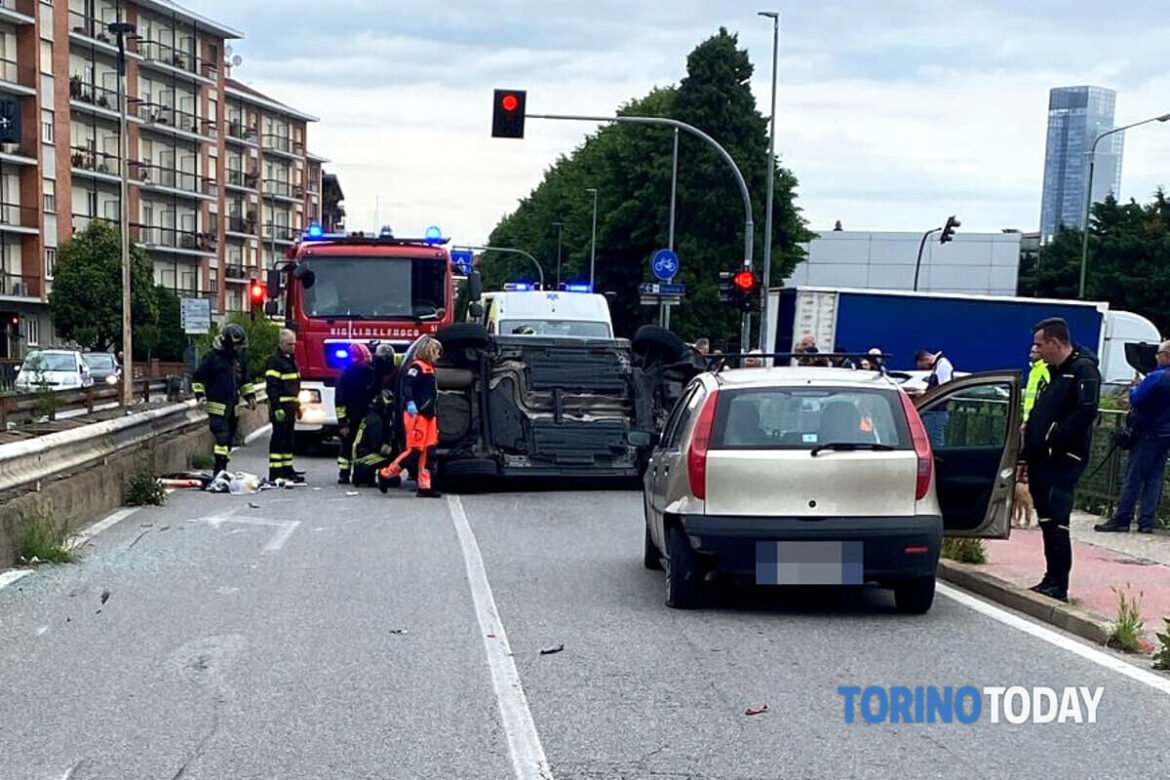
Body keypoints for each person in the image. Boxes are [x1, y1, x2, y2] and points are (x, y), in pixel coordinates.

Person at [1020, 317, 1101, 602]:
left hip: (1063, 457)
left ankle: (1059, 583)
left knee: (1057, 518)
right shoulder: (1056, 371)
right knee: (1046, 517)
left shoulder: (1082, 369)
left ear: (1055, 343)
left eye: (1040, 344)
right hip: (1042, 457)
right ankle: (1050, 578)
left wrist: (1054, 438)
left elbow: (1086, 411)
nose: (1037, 350)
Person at [1095, 339, 1170, 534]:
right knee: (1155, 476)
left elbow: (1137, 399)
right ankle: (1147, 521)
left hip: (1147, 432)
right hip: (1166, 434)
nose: (1156, 357)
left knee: (1133, 476)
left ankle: (1122, 517)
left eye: (1158, 354)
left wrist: (1134, 388)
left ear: (1166, 356)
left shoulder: (1156, 377)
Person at [379, 336, 443, 498]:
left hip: (429, 416)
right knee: (414, 451)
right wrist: (410, 403)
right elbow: (407, 387)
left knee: (428, 452)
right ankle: (386, 474)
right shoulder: (417, 367)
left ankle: (424, 486)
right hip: (417, 415)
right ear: (429, 351)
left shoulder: (429, 368)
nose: (438, 355)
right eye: (436, 352)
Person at [192, 323, 257, 476]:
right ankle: (219, 472)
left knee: (228, 442)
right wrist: (200, 396)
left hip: (233, 409)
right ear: (228, 342)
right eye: (237, 345)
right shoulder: (213, 358)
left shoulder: (237, 359)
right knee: (222, 438)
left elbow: (244, 380)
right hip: (217, 409)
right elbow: (198, 378)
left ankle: (223, 471)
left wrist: (250, 397)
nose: (239, 348)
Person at [265, 328, 304, 483]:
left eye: (294, 344)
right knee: (278, 439)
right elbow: (272, 387)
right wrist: (277, 407)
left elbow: (295, 387)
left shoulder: (291, 361)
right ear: (281, 343)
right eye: (289, 344)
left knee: (288, 440)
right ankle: (275, 472)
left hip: (291, 407)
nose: (292, 347)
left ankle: (287, 469)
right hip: (281, 407)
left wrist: (298, 406)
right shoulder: (275, 362)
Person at [335, 343, 375, 484]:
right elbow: (339, 401)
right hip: (352, 417)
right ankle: (344, 473)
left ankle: (364, 473)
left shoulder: (370, 372)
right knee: (347, 445)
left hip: (366, 416)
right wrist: (343, 423)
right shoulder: (346, 376)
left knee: (365, 446)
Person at [352, 390, 397, 487]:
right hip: (366, 456)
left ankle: (365, 475)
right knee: (394, 463)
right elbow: (377, 446)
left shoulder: (371, 415)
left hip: (361, 455)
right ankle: (378, 475)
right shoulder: (376, 421)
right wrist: (395, 452)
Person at [916, 349, 955, 446]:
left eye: (923, 366)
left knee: (935, 443)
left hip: (936, 412)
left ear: (926, 359)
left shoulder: (943, 366)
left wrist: (926, 395)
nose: (925, 369)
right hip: (935, 411)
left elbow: (944, 389)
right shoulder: (939, 365)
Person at [1022, 343, 1050, 424]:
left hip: (1039, 419)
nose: (1030, 355)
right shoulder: (1034, 370)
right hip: (1030, 418)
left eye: (1034, 352)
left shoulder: (1045, 370)